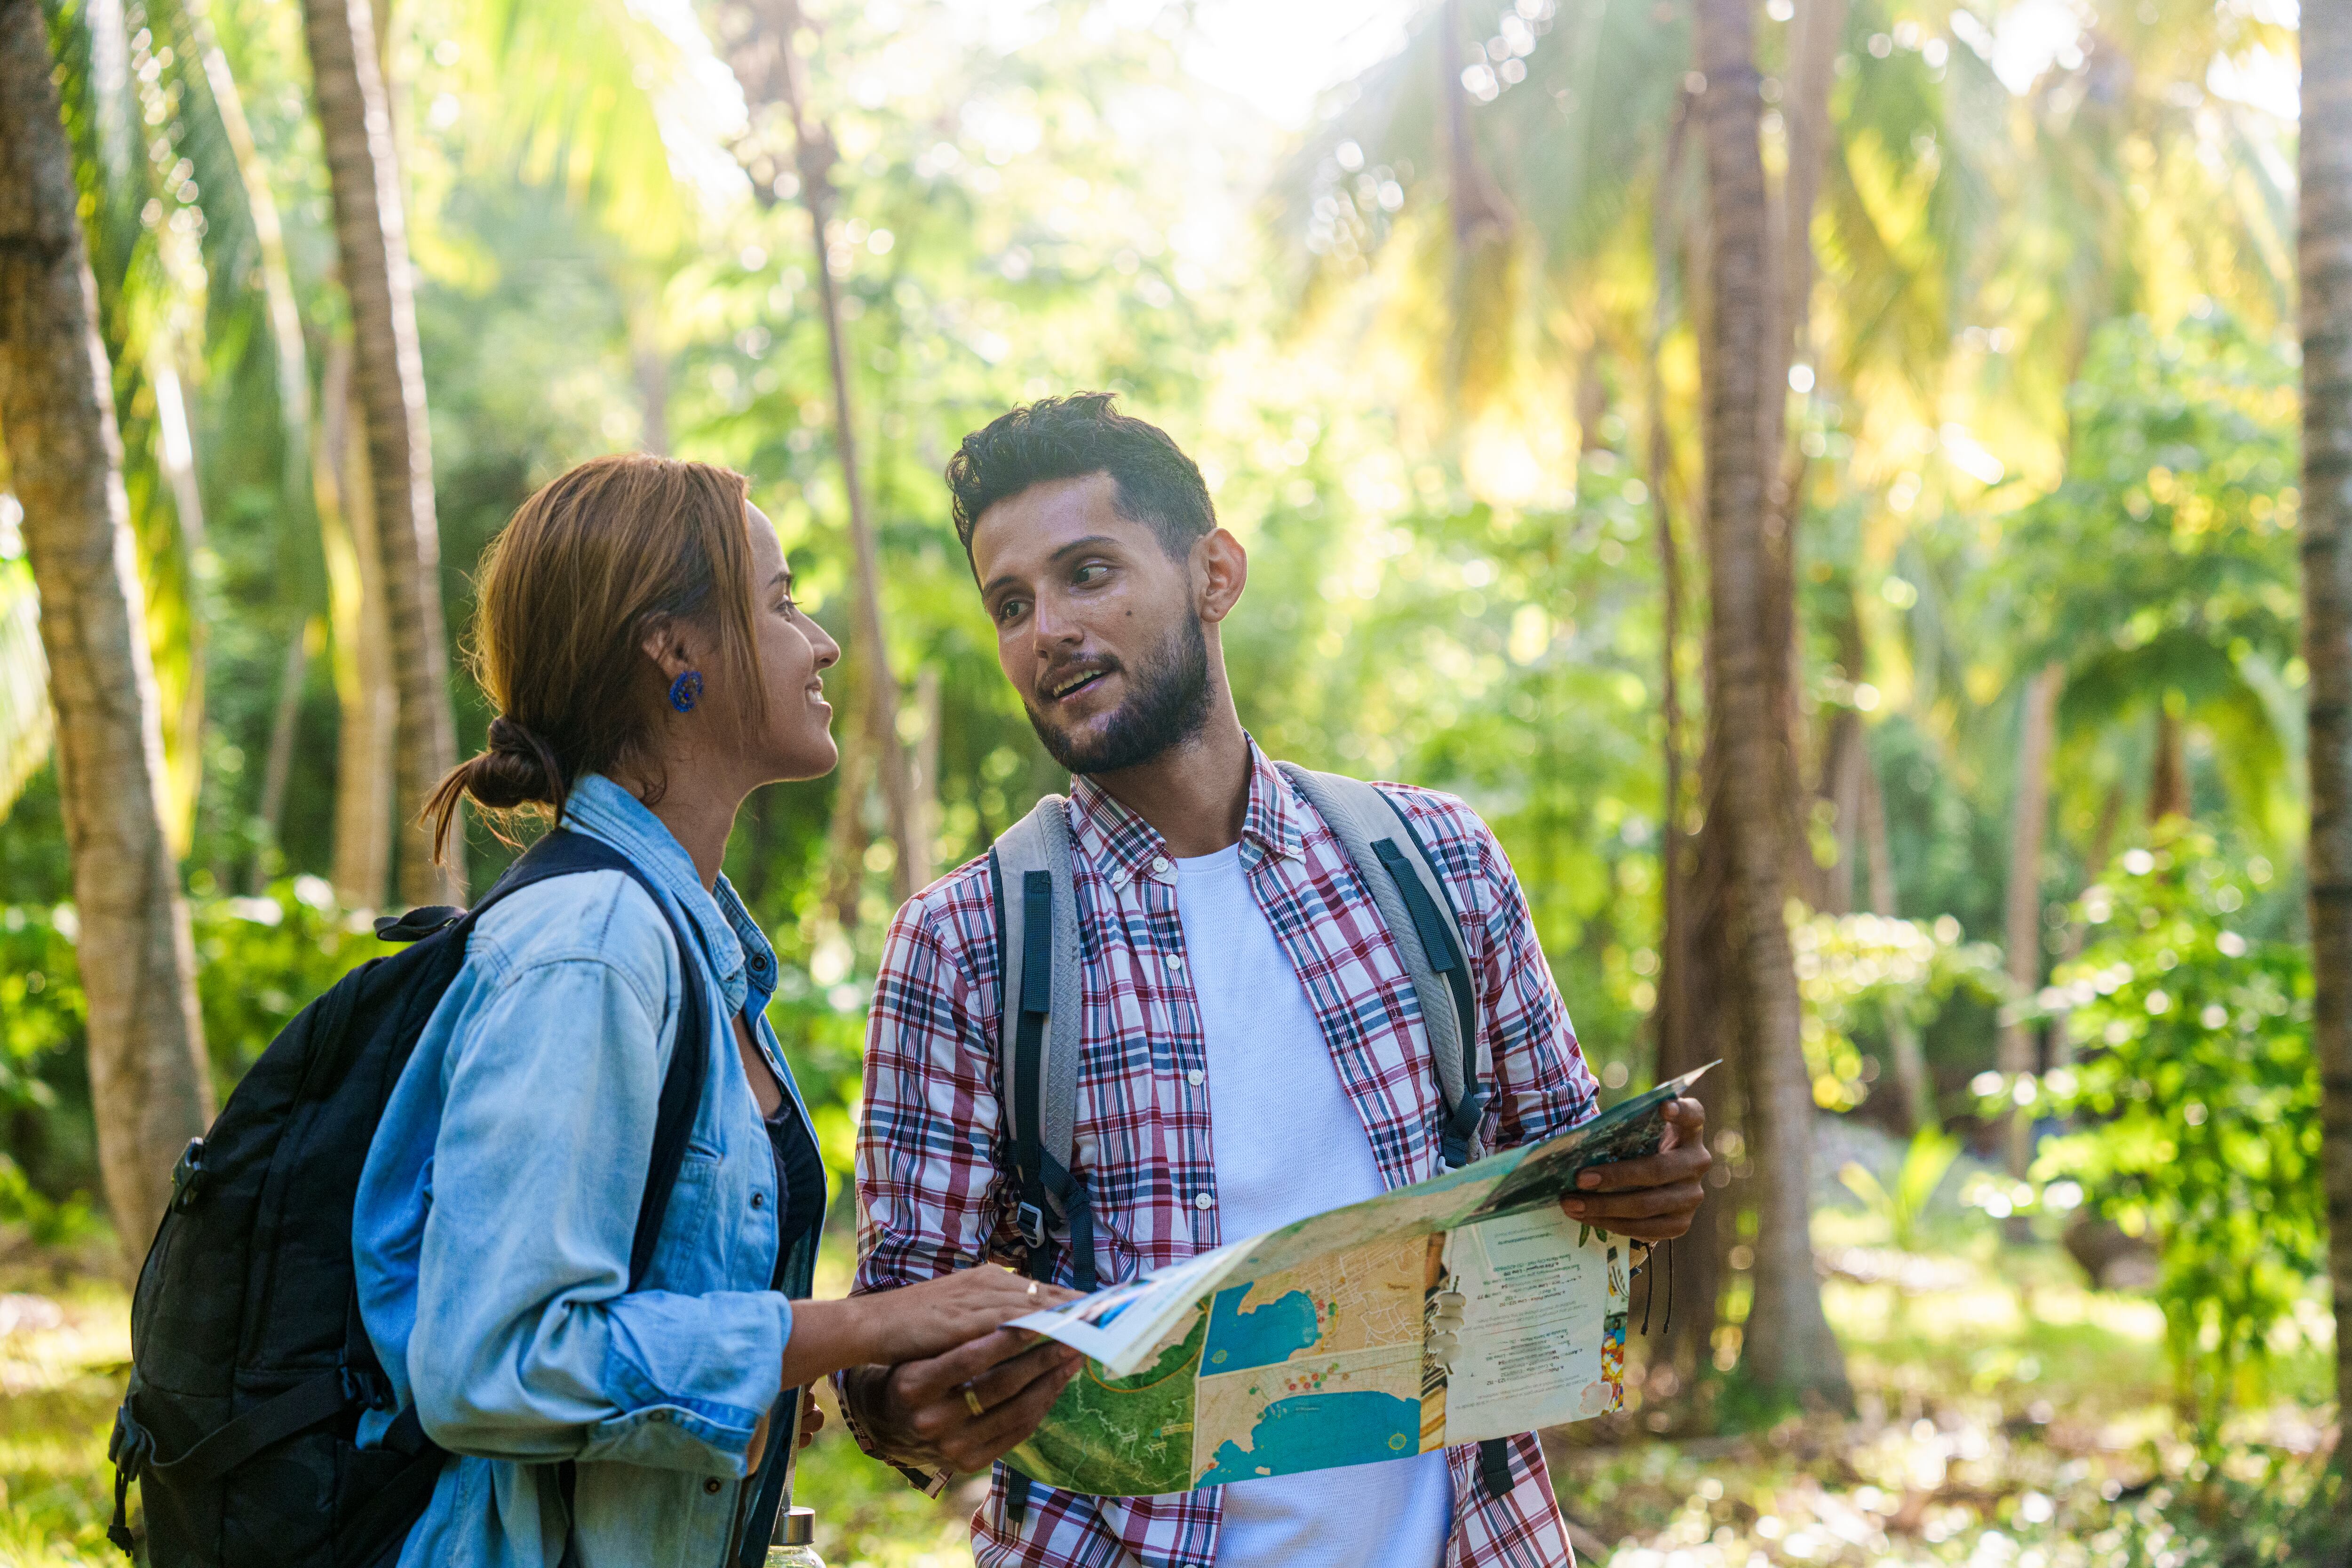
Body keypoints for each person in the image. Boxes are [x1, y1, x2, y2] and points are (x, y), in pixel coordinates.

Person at [836, 396, 1713, 1567]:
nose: (1046, 629)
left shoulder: (1435, 860)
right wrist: (906, 1407)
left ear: (1215, 573)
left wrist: (1644, 1187)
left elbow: (1573, 1189)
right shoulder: (965, 941)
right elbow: (889, 1349)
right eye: (1011, 603)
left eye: (1087, 572)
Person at [352, 454, 1065, 1568]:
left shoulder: (696, 946)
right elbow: (493, 1359)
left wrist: (755, 1390)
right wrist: (854, 1328)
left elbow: (632, 1310)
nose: (819, 641)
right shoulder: (593, 946)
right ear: (674, 648)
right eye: (781, 603)